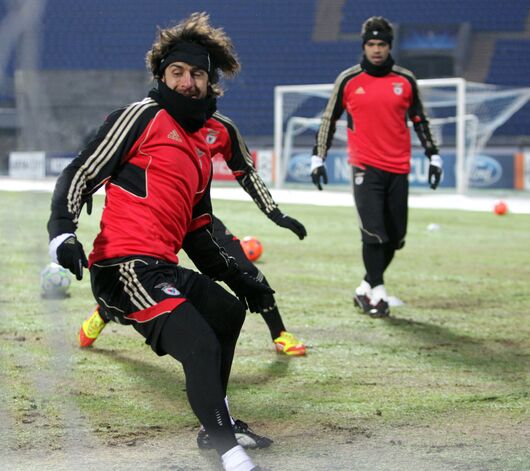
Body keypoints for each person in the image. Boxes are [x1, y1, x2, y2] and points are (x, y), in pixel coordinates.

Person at [48, 12, 270, 471]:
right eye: (178, 72)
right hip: (123, 267)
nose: (187, 82)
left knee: (227, 313)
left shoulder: (201, 149)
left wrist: (241, 279)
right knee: (200, 345)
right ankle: (229, 452)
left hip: (160, 268)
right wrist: (62, 233)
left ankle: (217, 423)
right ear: (162, 76)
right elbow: (82, 171)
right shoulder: (143, 116)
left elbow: (197, 233)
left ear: (209, 82)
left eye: (197, 74)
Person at [79, 111, 308, 357]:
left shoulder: (223, 128)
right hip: (155, 215)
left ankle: (279, 334)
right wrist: (86, 185)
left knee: (246, 270)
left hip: (197, 219)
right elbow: (112, 151)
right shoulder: (154, 116)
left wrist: (275, 213)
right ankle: (106, 311)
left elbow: (246, 171)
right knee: (146, 285)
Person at [310, 16, 442, 318]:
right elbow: (329, 119)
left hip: (399, 167)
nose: (377, 49)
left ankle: (365, 287)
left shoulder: (405, 80)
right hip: (364, 167)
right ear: (364, 46)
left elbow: (420, 119)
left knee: (396, 238)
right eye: (371, 44)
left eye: (381, 44)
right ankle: (379, 294)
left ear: (389, 46)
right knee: (373, 233)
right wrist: (318, 157)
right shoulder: (348, 80)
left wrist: (433, 155)